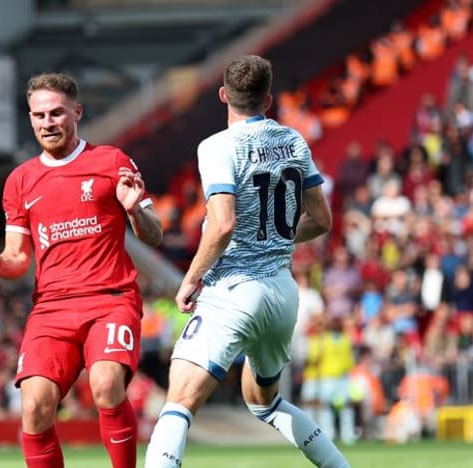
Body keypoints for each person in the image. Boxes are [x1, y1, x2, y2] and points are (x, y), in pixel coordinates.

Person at [144, 55, 349, 468]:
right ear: (268, 99)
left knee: (180, 397)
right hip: (282, 292)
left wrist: (190, 279)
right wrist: (275, 238)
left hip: (235, 287)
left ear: (224, 95)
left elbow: (222, 225)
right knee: (264, 402)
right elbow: (322, 220)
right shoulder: (294, 142)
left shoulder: (217, 146)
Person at [0, 72, 163, 468]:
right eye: (38, 115)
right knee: (34, 407)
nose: (47, 123)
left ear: (77, 113)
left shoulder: (111, 162)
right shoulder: (20, 180)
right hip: (51, 309)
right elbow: (19, 258)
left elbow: (153, 235)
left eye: (56, 113)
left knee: (106, 385)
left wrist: (136, 208)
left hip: (110, 299)